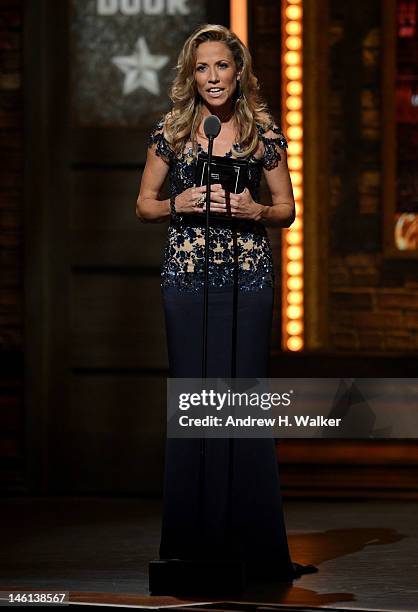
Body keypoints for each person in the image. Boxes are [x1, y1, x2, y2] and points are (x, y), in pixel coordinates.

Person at [136, 24, 317, 582]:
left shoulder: (262, 133)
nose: (213, 77)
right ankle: (193, 543)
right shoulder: (173, 131)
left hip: (247, 280)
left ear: (239, 73)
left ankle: (253, 542)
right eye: (202, 68)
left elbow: (286, 208)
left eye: (222, 67)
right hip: (188, 283)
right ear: (191, 76)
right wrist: (177, 203)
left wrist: (254, 211)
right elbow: (143, 204)